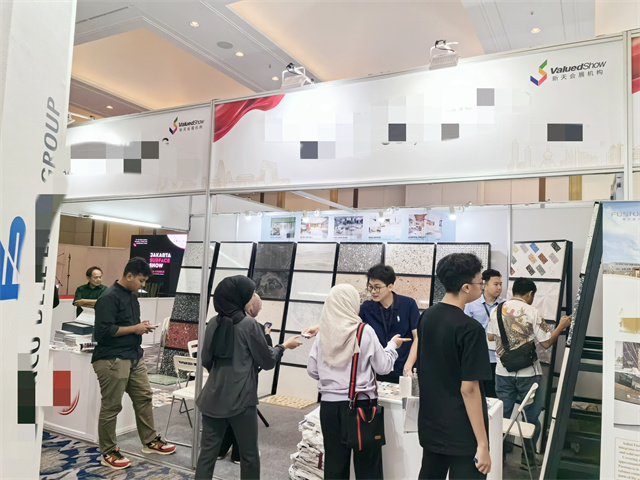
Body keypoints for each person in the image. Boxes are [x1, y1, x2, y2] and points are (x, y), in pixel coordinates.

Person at [195, 276, 302, 480]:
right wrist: (283, 347)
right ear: (240, 296)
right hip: (241, 400)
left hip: (212, 397)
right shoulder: (249, 324)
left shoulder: (213, 323)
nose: (254, 297)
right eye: (251, 293)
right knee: (249, 455)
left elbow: (206, 360)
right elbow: (267, 360)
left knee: (207, 455)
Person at [307, 284, 410, 479]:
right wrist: (392, 346)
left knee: (335, 465)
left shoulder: (322, 334)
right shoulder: (364, 331)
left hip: (329, 407)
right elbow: (383, 367)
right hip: (361, 407)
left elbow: (312, 370)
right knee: (368, 467)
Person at [92, 257, 175, 470]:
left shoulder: (131, 296)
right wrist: (134, 329)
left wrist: (140, 326)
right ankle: (108, 451)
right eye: (141, 280)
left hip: (134, 356)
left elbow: (127, 325)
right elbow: (103, 332)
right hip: (112, 358)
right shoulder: (108, 297)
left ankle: (150, 440)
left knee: (144, 397)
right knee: (112, 406)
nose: (142, 285)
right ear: (129, 276)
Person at [417, 253, 492, 479]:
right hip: (462, 430)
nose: (482, 286)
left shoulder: (427, 316)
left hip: (431, 424)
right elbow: (469, 388)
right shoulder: (470, 329)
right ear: (466, 287)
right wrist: (483, 444)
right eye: (480, 282)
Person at [487, 277, 571, 470]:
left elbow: (490, 336)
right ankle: (528, 460)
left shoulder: (496, 310)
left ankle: (498, 457)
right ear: (530, 294)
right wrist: (561, 326)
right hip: (529, 375)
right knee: (531, 418)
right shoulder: (533, 312)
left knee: (502, 416)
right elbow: (546, 342)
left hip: (503, 372)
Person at [217, 292, 270, 466]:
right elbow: (266, 356)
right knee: (242, 416)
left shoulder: (221, 322)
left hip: (222, 379)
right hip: (244, 379)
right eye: (259, 307)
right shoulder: (253, 326)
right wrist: (270, 338)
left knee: (229, 414)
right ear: (253, 309)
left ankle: (221, 449)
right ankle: (239, 454)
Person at [358, 264, 420, 382]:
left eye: (377, 287)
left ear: (390, 286)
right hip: (377, 368)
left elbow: (418, 336)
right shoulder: (366, 307)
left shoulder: (408, 304)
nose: (373, 292)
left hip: (403, 367)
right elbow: (351, 326)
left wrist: (408, 365)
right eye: (370, 287)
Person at [464, 268, 505, 398]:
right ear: (485, 285)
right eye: (496, 284)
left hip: (499, 357)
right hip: (478, 355)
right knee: (479, 393)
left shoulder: (505, 305)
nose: (499, 287)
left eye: (500, 284)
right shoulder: (471, 305)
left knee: (496, 394)